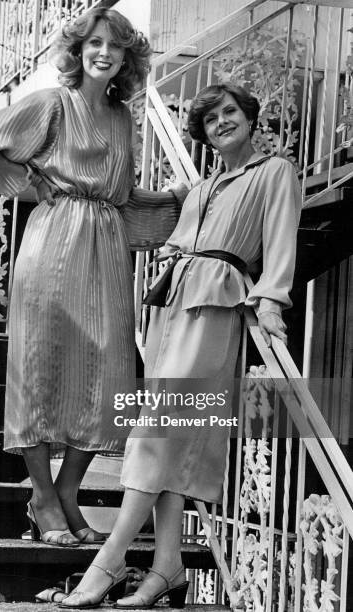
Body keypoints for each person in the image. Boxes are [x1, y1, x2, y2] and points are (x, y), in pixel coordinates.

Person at [59, 82, 301, 608]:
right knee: (167, 436)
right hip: (174, 307)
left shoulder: (274, 172)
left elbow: (280, 241)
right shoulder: (201, 188)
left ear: (250, 117)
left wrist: (271, 300)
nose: (222, 124)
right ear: (205, 135)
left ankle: (110, 559)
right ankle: (168, 566)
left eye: (230, 112)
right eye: (211, 120)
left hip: (216, 308)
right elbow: (172, 237)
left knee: (158, 434)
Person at [0, 8, 187, 551]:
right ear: (79, 50)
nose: (104, 52)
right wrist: (28, 181)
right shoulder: (53, 104)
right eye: (94, 42)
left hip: (106, 248)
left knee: (110, 372)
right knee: (39, 366)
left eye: (116, 46)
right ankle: (41, 495)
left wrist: (180, 204)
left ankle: (64, 491)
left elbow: (124, 199)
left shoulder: (124, 116)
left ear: (129, 58)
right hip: (53, 241)